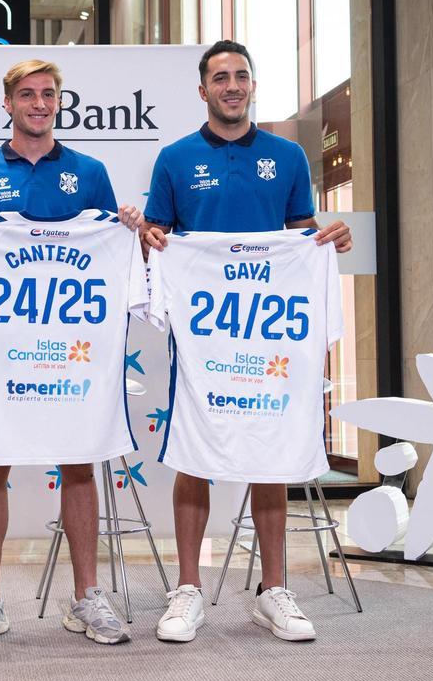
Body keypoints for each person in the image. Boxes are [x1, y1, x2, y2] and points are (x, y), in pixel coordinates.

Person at [137, 40, 352, 643]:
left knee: (271, 448)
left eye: (241, 76)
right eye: (220, 78)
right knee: (193, 449)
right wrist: (148, 236)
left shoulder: (287, 156)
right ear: (202, 90)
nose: (232, 86)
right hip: (204, 333)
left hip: (267, 328)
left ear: (252, 85)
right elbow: (159, 233)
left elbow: (300, 235)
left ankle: (273, 589)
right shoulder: (175, 159)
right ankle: (187, 589)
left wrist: (327, 239)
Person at [0, 59, 143, 647]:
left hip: (73, 350)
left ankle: (87, 596)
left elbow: (115, 251)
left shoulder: (89, 172)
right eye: (27, 94)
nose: (40, 103)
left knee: (80, 461)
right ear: (8, 103)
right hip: (6, 352)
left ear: (59, 102)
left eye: (49, 94)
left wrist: (129, 225)